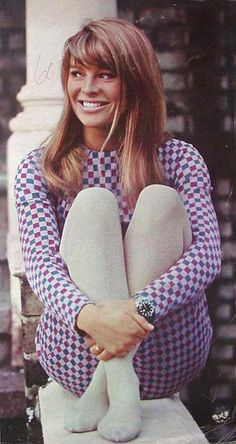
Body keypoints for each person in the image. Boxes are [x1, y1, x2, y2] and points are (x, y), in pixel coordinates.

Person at [14, 18, 222, 443]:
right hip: (80, 356)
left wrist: (135, 315)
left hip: (165, 353)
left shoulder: (180, 159)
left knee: (161, 201)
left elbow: (206, 256)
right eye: (77, 74)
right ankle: (118, 383)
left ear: (135, 82)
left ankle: (114, 381)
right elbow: (40, 262)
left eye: (104, 75)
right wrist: (94, 318)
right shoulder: (41, 168)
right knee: (91, 204)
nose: (86, 89)